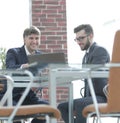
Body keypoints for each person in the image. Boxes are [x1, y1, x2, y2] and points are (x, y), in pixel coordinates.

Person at [57, 24, 110, 123]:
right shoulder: (86, 56)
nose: (78, 42)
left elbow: (94, 71)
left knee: (80, 104)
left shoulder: (99, 50)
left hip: (103, 96)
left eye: (81, 38)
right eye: (76, 39)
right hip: (90, 97)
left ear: (90, 36)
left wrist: (72, 70)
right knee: (62, 107)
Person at [5, 26, 49, 123]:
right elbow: (9, 68)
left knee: (49, 109)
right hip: (12, 96)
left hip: (29, 96)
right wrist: (23, 66)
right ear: (24, 39)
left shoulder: (41, 56)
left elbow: (39, 81)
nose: (34, 41)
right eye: (31, 38)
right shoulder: (13, 52)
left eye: (37, 38)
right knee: (16, 113)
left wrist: (41, 82)